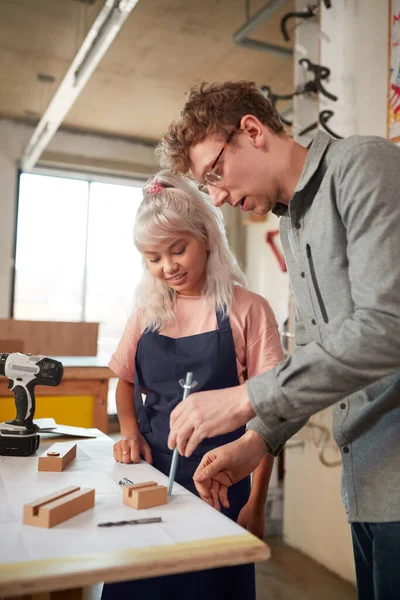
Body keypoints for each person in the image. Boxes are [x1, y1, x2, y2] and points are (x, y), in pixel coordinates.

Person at [159, 81, 400, 599]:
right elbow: (320, 348)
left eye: (214, 175)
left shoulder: (362, 166)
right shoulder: (294, 224)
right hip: (369, 488)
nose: (218, 197)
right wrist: (256, 440)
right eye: (207, 187)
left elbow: (387, 328)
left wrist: (244, 399)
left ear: (252, 131)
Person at [102, 170, 285, 600]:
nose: (168, 267)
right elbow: (124, 383)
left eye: (178, 249)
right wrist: (129, 433)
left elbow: (272, 411)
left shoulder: (248, 310)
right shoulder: (146, 312)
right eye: (153, 257)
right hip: (146, 488)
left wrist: (255, 504)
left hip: (222, 493)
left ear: (206, 237)